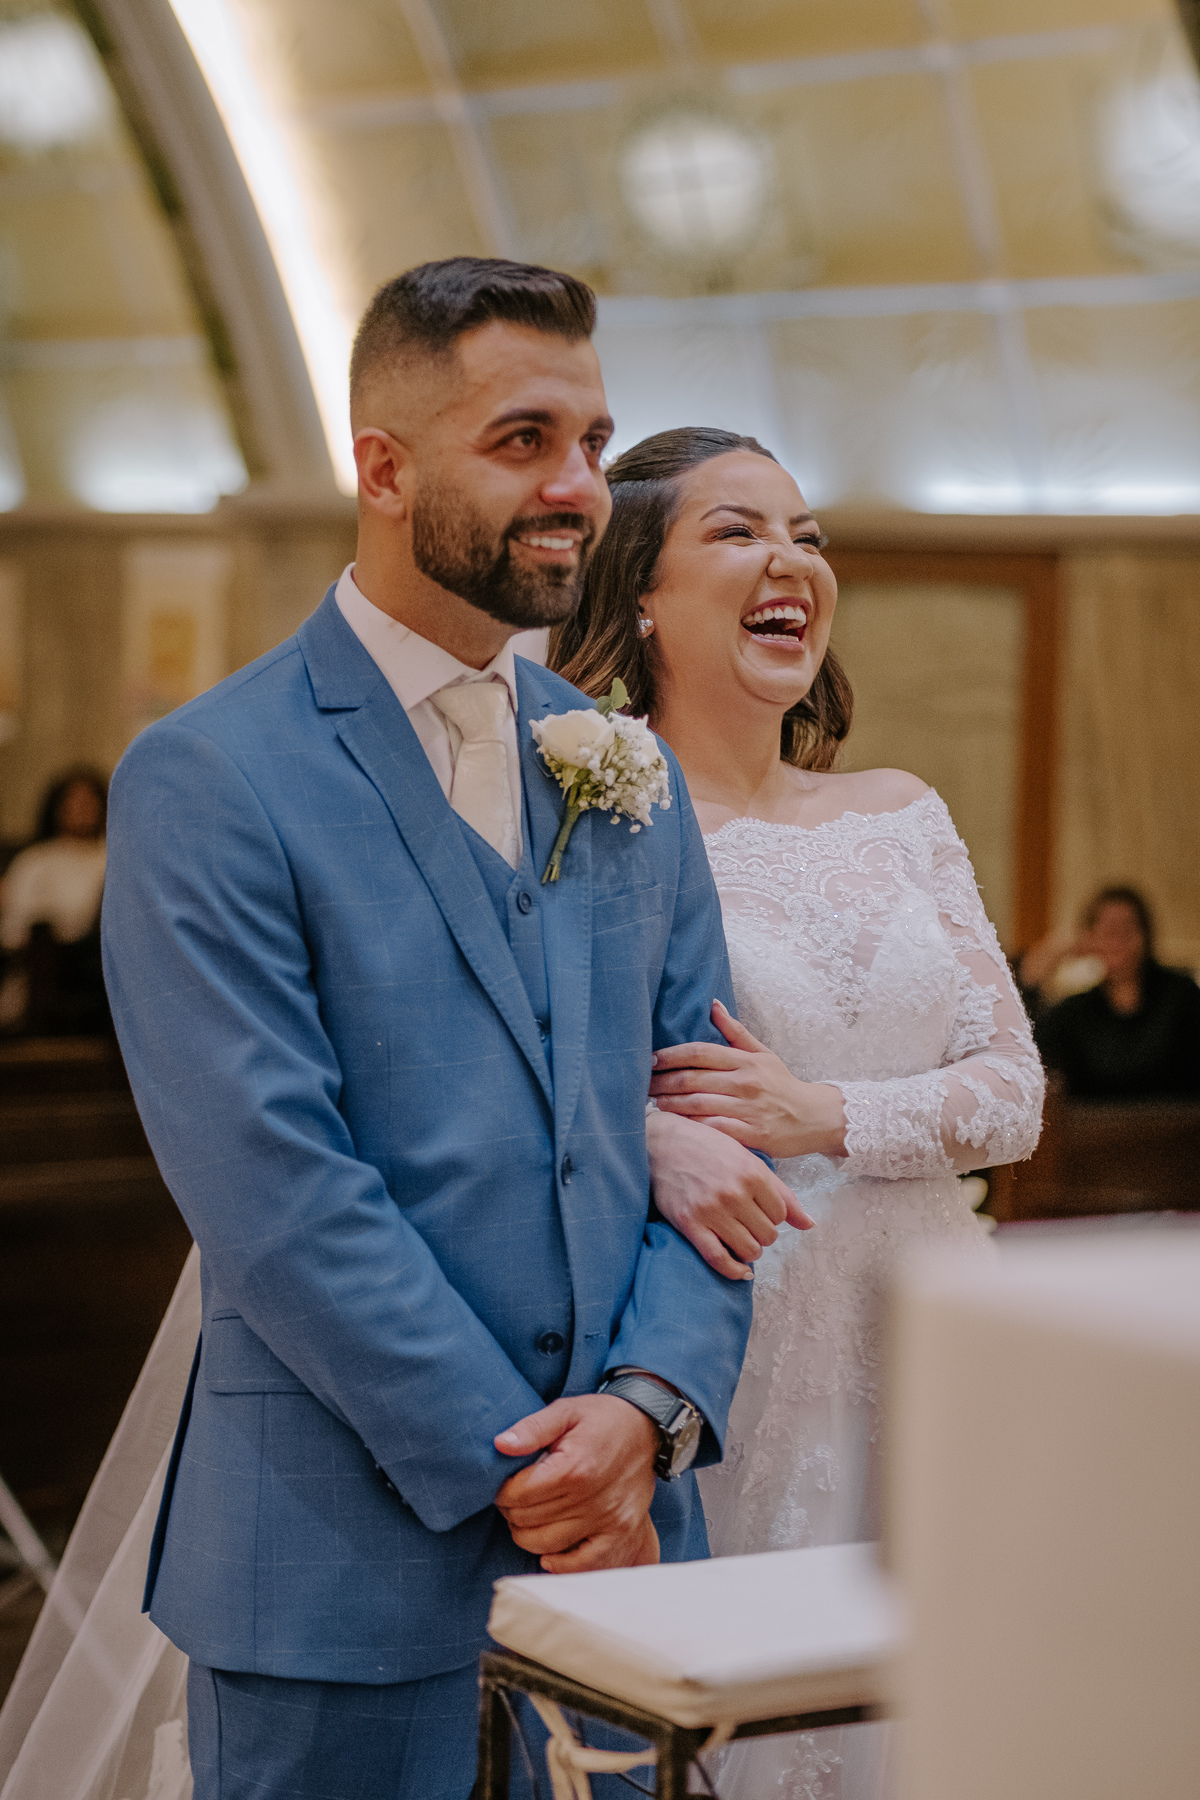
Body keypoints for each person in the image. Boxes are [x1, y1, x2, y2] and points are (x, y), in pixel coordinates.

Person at [69, 262, 764, 1800]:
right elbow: (275, 1190)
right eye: (523, 440)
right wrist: (539, 1471)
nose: (579, 486)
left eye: (592, 440)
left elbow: (710, 1128)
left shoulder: (616, 771)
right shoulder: (210, 775)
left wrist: (647, 1416)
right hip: (341, 1566)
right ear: (381, 469)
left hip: (628, 1577)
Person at [550, 425, 1045, 1798]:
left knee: (956, 1698)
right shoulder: (592, 817)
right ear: (638, 593)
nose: (790, 561)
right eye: (738, 530)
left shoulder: (899, 810)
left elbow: (1013, 1092)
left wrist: (820, 1108)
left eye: (808, 535)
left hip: (938, 1321)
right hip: (738, 1336)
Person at [1029, 887, 1200, 1099]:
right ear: (1089, 939)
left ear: (1146, 936)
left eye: (1127, 929)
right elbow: (1025, 1043)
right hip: (1097, 1131)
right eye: (1107, 930)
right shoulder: (1077, 1011)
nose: (1117, 938)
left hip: (1178, 1129)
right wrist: (1051, 955)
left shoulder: (1181, 994)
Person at [0, 767, 109, 1034]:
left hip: (102, 964)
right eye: (73, 801)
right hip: (48, 967)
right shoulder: (35, 861)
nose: (81, 809)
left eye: (88, 802)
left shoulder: (113, 859)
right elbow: (14, 932)